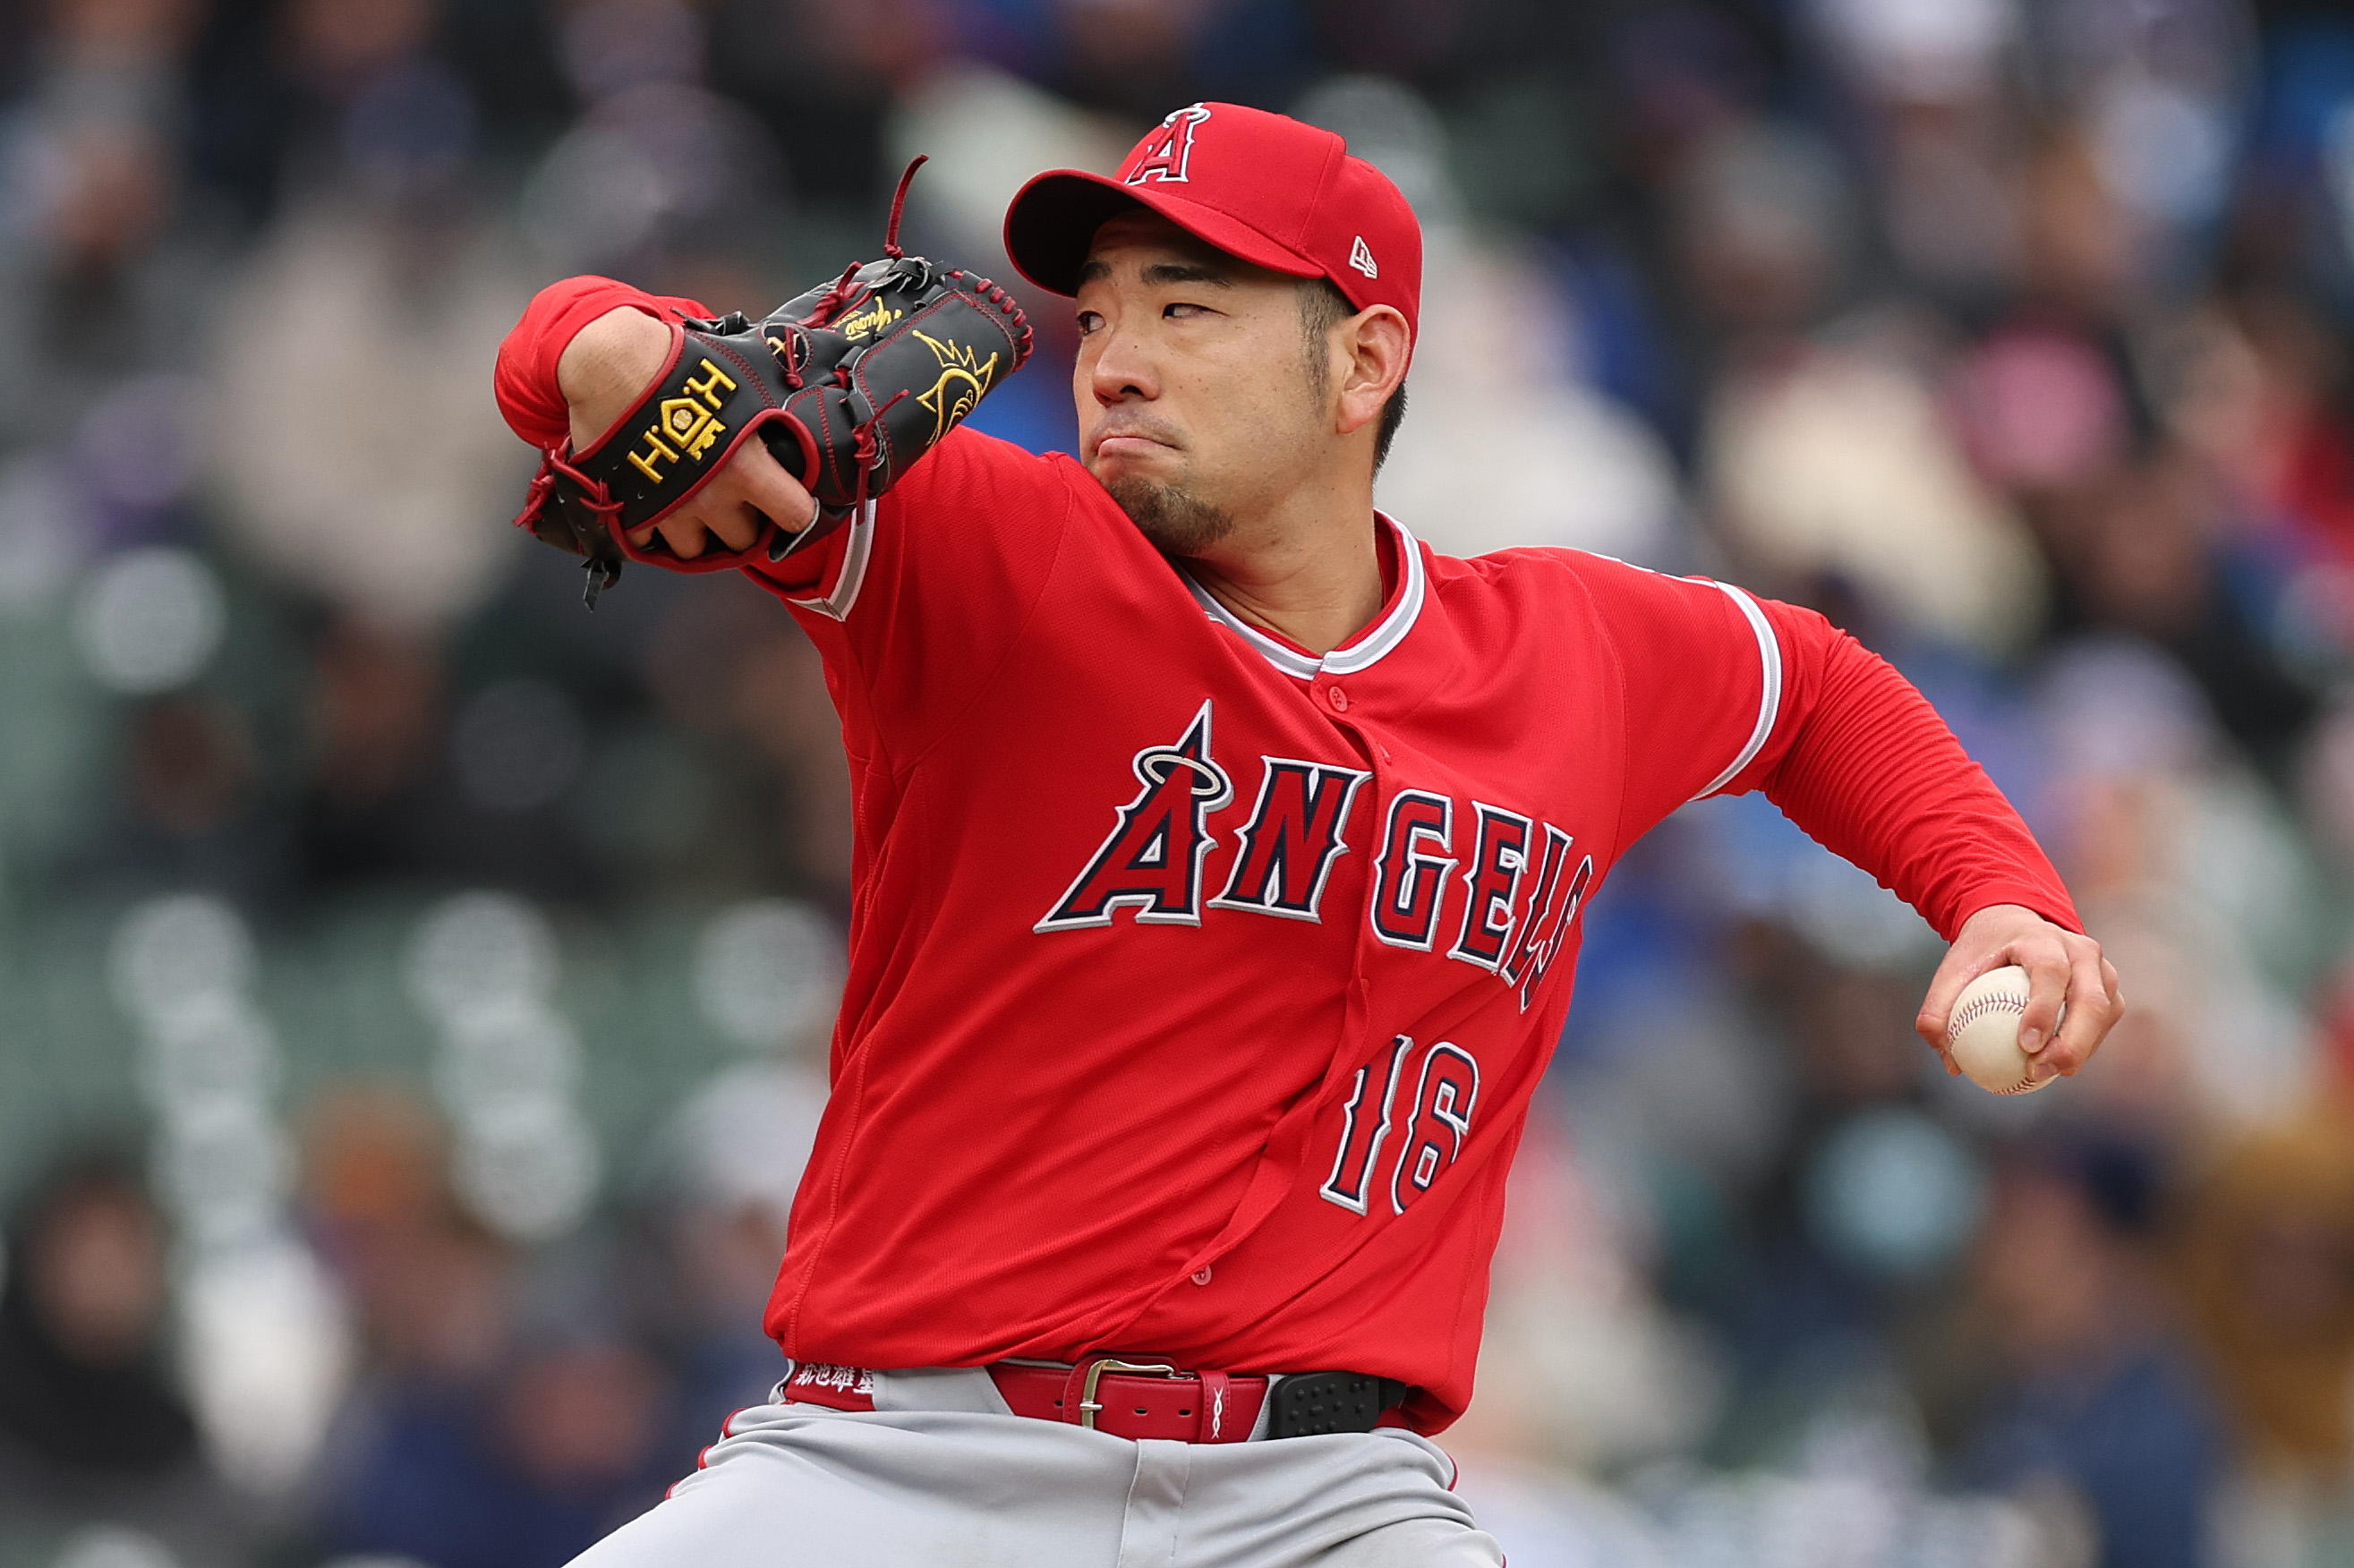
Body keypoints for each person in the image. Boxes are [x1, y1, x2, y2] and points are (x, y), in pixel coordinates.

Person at [492, 102, 2123, 1567]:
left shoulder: (1564, 654)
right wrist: (608, 358)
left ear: (1362, 363)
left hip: (1324, 1501)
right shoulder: (992, 552)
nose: (1114, 359)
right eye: (1102, 312)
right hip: (911, 1463)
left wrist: (2000, 892)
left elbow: (1815, 693)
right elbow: (582, 350)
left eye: (1186, 309)